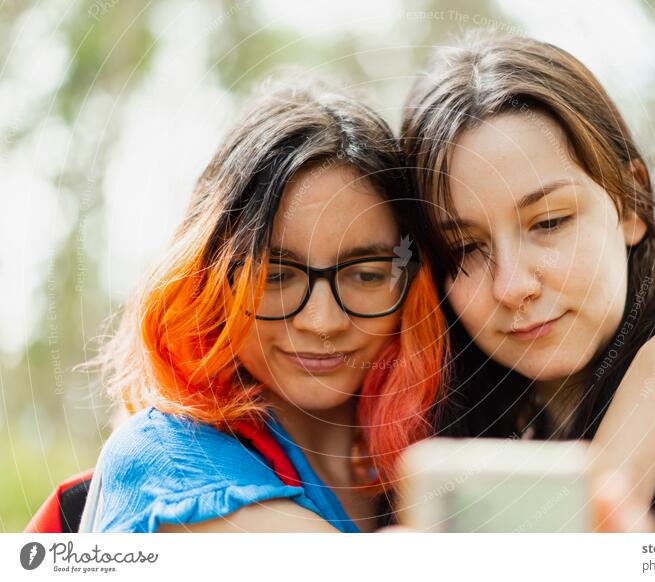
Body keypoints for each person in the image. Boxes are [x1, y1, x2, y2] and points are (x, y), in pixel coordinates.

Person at [399, 34, 655, 532]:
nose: (511, 285)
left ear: (631, 202)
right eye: (464, 248)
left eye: (548, 223)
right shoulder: (440, 448)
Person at [78, 80, 447, 533]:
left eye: (366, 274)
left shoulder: (441, 447)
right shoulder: (162, 459)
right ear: (207, 278)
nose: (322, 320)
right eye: (275, 276)